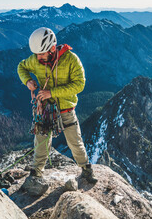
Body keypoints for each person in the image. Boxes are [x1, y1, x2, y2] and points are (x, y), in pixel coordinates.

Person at [17, 27, 97, 183]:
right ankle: (36, 172)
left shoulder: (71, 59)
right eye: (37, 54)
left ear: (52, 48)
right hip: (46, 109)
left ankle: (86, 170)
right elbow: (22, 66)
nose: (38, 57)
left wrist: (51, 93)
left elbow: (79, 85)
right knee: (41, 141)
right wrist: (28, 81)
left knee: (74, 141)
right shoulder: (36, 59)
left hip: (66, 109)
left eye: (41, 53)